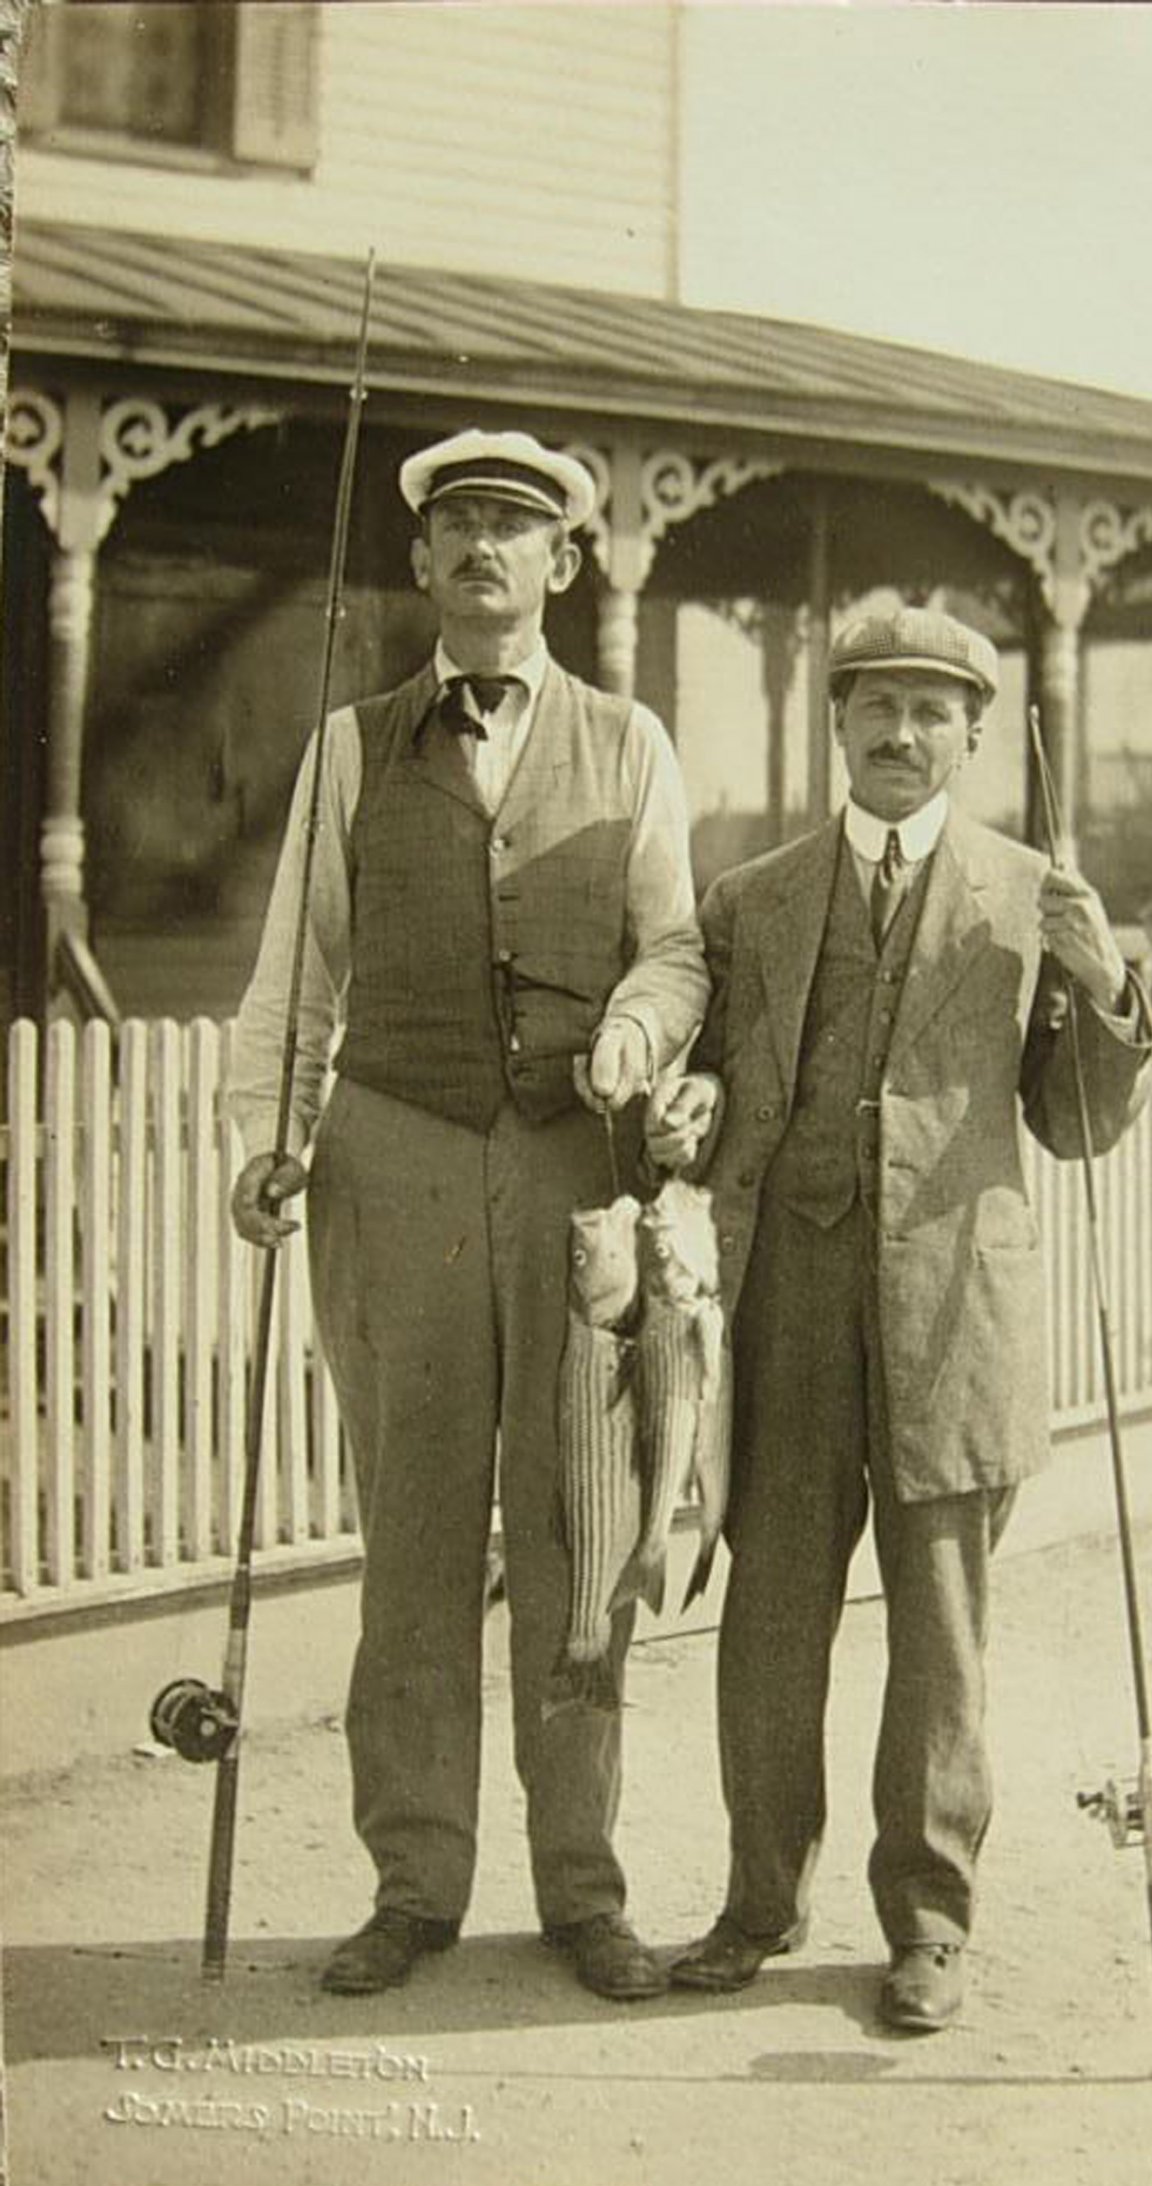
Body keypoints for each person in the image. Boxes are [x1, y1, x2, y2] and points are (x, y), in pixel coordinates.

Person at [228, 428, 708, 2000]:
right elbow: (299, 966)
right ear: (423, 563)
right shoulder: (355, 745)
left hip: (572, 1168)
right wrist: (268, 1134)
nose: (489, 550)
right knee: (414, 1536)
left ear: (565, 564)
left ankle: (582, 1890)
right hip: (397, 1157)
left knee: (575, 1534)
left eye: (520, 528)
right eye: (461, 528)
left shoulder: (628, 741)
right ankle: (415, 1881)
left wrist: (637, 1029)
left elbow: (678, 948)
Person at [645, 604, 1152, 2032]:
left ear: (977, 738)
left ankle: (926, 1920)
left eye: (934, 712)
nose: (900, 733)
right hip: (788, 1302)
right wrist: (686, 1101)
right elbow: (700, 1072)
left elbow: (1076, 1123)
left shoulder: (1027, 894)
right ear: (837, 721)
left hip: (950, 1311)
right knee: (769, 1613)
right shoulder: (751, 894)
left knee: (939, 1631)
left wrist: (1100, 979)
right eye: (875, 705)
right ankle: (757, 1900)